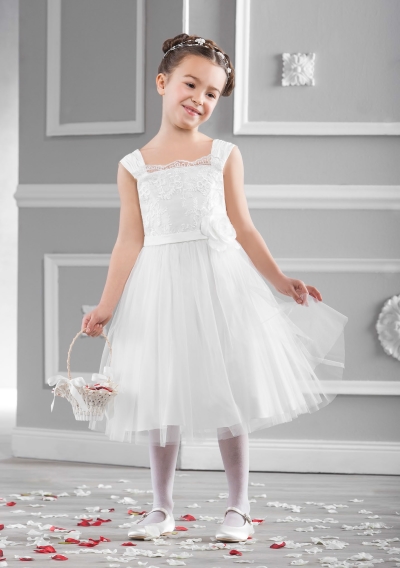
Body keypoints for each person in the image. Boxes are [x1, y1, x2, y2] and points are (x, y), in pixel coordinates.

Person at [81, 33, 348, 543]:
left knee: (230, 389)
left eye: (211, 93)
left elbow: (244, 227)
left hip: (221, 283)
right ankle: (161, 507)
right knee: (161, 394)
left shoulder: (222, 154)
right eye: (191, 84)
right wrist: (107, 305)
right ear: (162, 82)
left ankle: (238, 507)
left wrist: (280, 280)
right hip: (160, 288)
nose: (199, 99)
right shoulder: (133, 166)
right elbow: (128, 240)